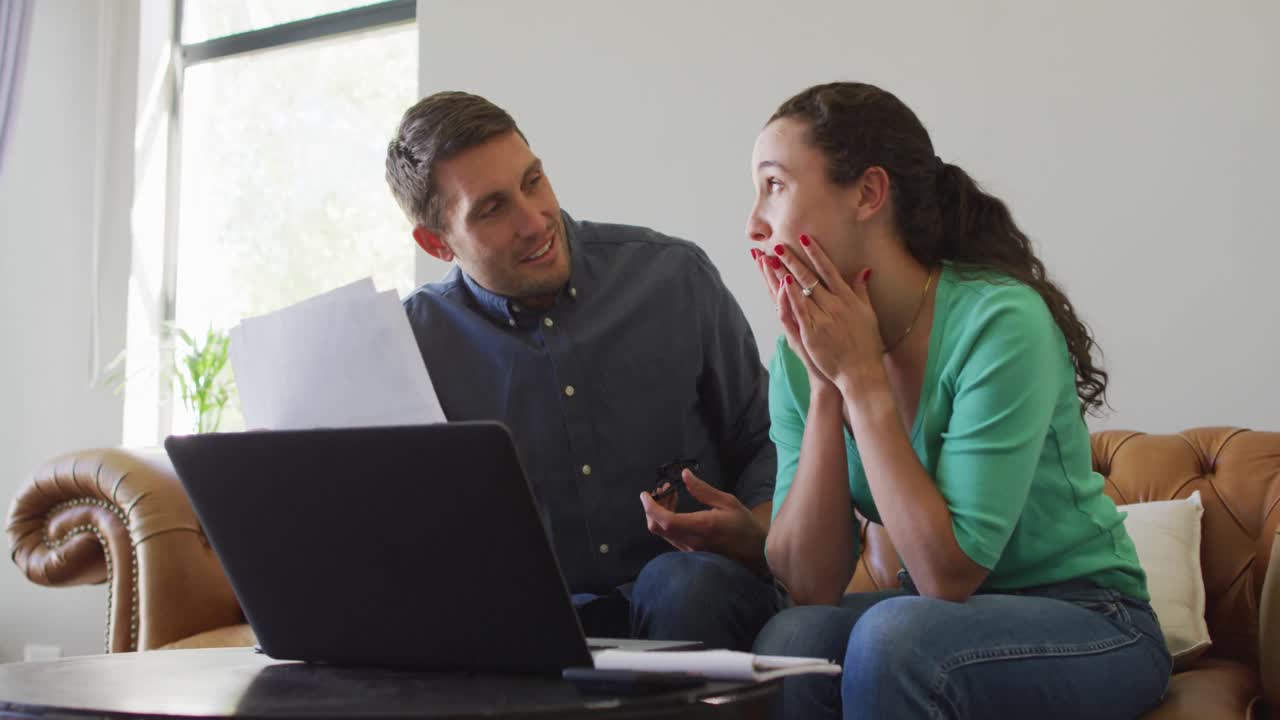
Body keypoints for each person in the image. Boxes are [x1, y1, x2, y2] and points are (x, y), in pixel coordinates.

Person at [745, 82, 1171, 718]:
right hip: (944, 623)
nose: (753, 222)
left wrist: (862, 380)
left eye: (774, 185)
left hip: (1090, 617)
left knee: (899, 640)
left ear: (867, 193)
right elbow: (808, 585)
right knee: (794, 640)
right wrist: (828, 387)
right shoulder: (802, 352)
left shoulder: (1000, 322)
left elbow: (946, 578)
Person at [383, 91, 781, 650]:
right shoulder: (409, 344)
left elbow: (765, 436)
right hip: (529, 630)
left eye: (533, 181)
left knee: (679, 586)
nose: (534, 221)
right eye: (493, 208)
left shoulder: (672, 276)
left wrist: (756, 527)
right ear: (436, 243)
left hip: (697, 599)